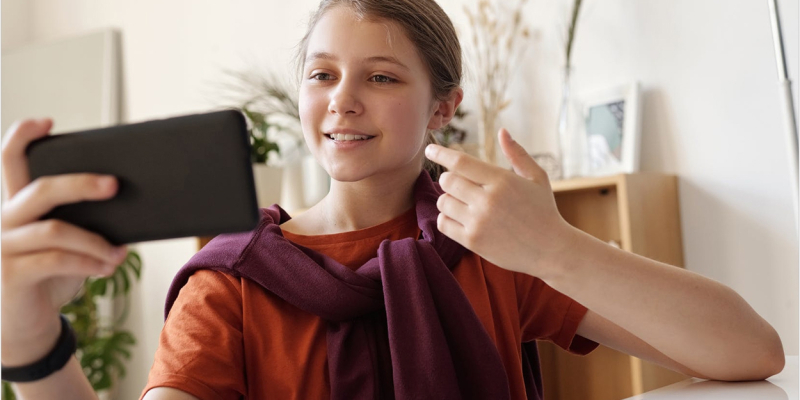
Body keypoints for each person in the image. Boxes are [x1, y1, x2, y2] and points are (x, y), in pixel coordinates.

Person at [0, 0, 785, 399]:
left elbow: (751, 353)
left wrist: (555, 248)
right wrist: (30, 337)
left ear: (444, 106)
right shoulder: (229, 284)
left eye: (381, 76)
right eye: (321, 74)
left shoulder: (495, 247)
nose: (342, 101)